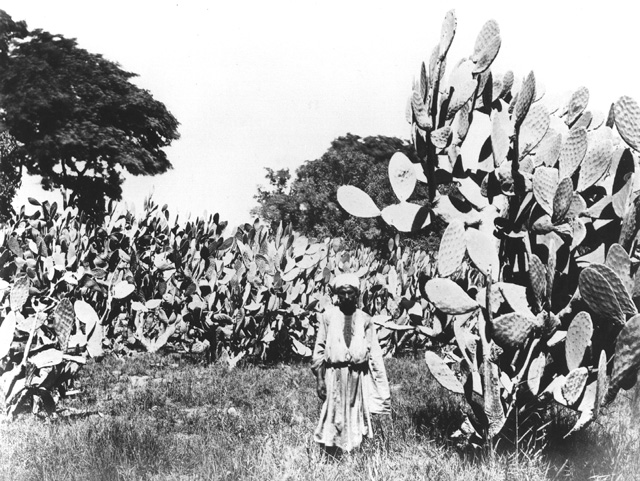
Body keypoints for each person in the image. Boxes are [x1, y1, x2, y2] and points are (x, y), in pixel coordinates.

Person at [311, 272, 391, 453]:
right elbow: (319, 350)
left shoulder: (365, 319)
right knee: (333, 412)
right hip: (334, 374)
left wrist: (380, 389)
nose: (346, 297)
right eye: (342, 293)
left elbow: (374, 355)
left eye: (350, 293)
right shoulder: (328, 317)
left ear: (357, 295)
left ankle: (352, 453)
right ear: (337, 295)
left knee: (355, 412)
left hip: (357, 376)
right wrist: (320, 379)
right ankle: (331, 451)